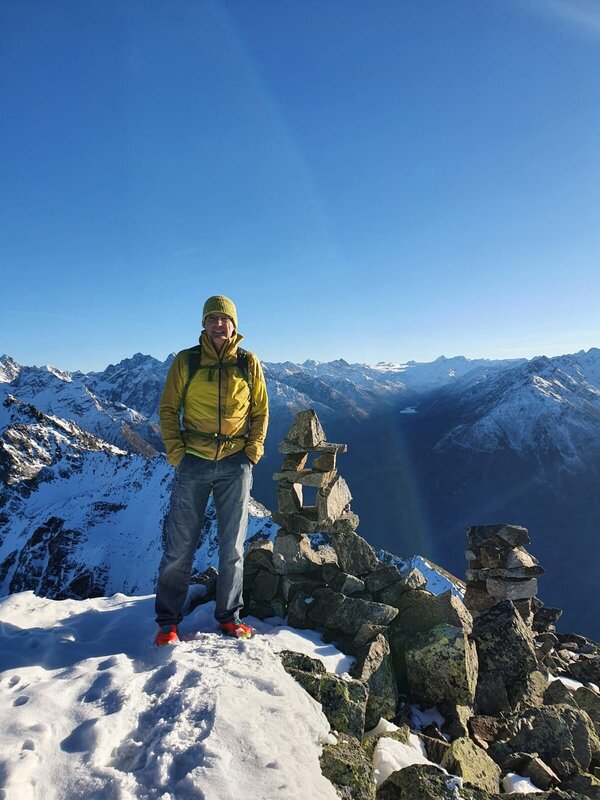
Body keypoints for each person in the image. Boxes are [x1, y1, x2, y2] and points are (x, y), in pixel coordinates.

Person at [154, 295, 269, 645]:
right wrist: (177, 453)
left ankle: (229, 617)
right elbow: (168, 409)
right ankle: (168, 623)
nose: (218, 324)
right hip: (194, 461)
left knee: (232, 547)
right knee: (180, 547)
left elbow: (260, 410)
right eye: (212, 318)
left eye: (224, 318)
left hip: (235, 463)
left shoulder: (248, 363)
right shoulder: (186, 361)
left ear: (234, 324)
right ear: (203, 324)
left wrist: (252, 451)